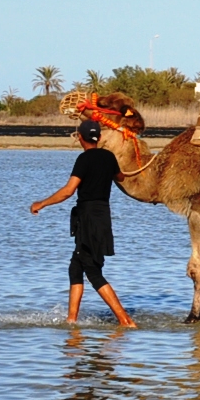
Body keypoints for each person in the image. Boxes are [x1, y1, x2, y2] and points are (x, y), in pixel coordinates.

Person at [30, 118, 137, 327]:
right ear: (99, 137)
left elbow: (68, 191)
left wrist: (41, 204)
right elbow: (121, 177)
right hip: (102, 218)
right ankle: (72, 321)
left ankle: (125, 320)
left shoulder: (83, 159)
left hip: (88, 218)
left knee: (93, 271)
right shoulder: (109, 157)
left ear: (80, 138)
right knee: (76, 267)